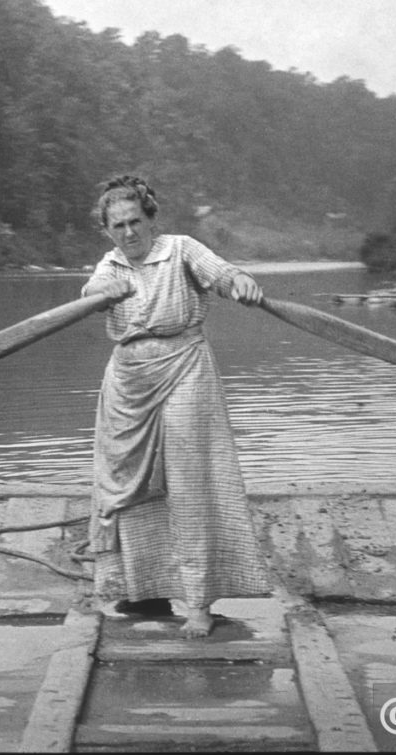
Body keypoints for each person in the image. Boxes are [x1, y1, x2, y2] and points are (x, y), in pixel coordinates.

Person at [81, 175, 271, 638]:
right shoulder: (110, 265)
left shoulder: (182, 249)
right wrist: (102, 294)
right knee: (126, 484)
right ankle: (144, 591)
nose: (128, 234)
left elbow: (223, 274)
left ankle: (200, 602)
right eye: (118, 226)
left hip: (184, 366)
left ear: (151, 219)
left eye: (135, 222)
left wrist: (240, 281)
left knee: (189, 481)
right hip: (128, 381)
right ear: (108, 231)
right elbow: (90, 292)